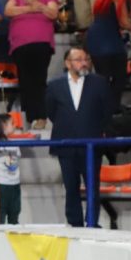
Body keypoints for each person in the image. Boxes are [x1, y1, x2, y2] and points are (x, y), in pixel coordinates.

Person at [44, 47, 113, 226]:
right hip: (66, 144)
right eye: (79, 60)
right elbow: (52, 112)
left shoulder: (99, 83)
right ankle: (75, 224)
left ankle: (92, 223)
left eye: (86, 59)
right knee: (70, 187)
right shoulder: (55, 85)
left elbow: (107, 111)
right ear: (68, 63)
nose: (84, 63)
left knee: (92, 187)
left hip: (92, 144)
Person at [4, 0, 59, 128]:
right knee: (25, 80)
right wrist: (29, 8)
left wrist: (39, 6)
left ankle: (41, 116)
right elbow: (8, 11)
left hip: (42, 43)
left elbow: (53, 13)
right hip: (20, 44)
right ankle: (28, 117)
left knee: (39, 80)